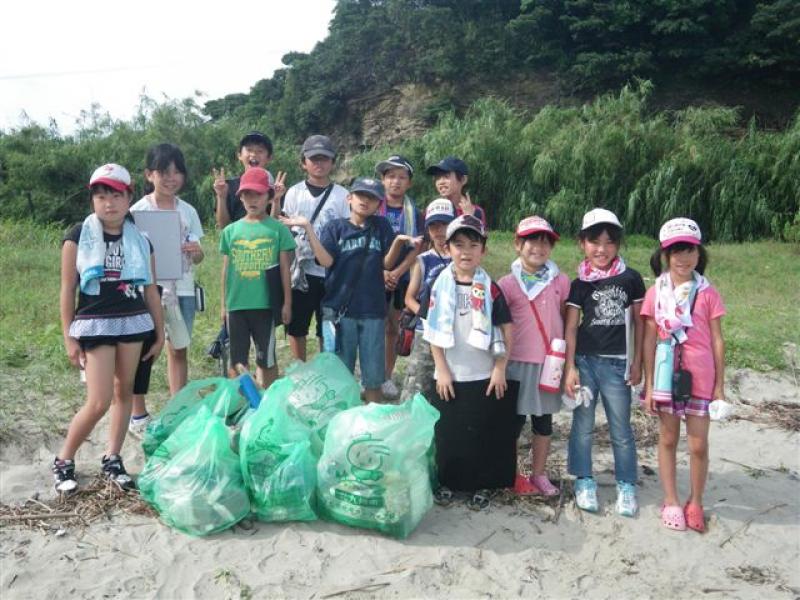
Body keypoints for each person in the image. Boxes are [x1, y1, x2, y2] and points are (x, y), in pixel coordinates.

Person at [54, 164, 163, 492]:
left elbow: (151, 290)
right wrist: (68, 335)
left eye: (116, 195)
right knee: (99, 399)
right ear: (93, 201)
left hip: (132, 322)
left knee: (124, 391)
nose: (109, 203)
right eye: (101, 196)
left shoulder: (142, 241)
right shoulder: (77, 236)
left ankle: (112, 458)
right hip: (94, 324)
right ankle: (64, 460)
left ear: (129, 197)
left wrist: (159, 333)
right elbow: (67, 288)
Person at [280, 178, 416, 404]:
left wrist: (399, 242)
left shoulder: (381, 226)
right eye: (361, 195)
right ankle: (341, 420)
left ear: (378, 203)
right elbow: (325, 261)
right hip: (340, 310)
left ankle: (371, 417)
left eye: (372, 197)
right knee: (341, 374)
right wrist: (308, 229)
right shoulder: (335, 227)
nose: (365, 201)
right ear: (349, 198)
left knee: (373, 377)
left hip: (372, 310)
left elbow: (387, 264)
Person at [423, 215, 517, 511]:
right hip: (451, 372)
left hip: (483, 372)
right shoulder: (439, 285)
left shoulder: (491, 288)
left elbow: (506, 329)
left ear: (483, 251)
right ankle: (449, 482)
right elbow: (433, 331)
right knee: (449, 432)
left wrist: (500, 367)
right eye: (458, 244)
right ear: (448, 248)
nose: (466, 251)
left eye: (473, 245)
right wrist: (442, 369)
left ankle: (481, 484)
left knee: (481, 430)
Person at [641, 218, 725, 533]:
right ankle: (672, 499)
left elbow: (718, 339)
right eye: (675, 250)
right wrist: (649, 385)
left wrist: (720, 385)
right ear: (665, 254)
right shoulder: (655, 293)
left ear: (698, 252)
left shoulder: (708, 292)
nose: (682, 257)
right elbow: (649, 339)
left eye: (688, 249)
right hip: (665, 379)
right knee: (667, 438)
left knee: (699, 445)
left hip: (701, 380)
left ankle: (696, 501)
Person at [564, 208, 645, 517]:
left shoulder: (631, 279)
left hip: (618, 365)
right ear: (582, 243)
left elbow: (640, 324)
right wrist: (570, 366)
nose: (602, 249)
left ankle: (626, 484)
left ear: (618, 245)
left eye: (610, 242)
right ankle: (584, 479)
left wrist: (637, 362)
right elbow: (571, 326)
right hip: (584, 363)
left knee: (621, 428)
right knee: (582, 426)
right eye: (594, 242)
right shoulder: (580, 283)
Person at [128, 143, 204, 436]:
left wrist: (195, 251)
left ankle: (177, 408)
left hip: (183, 289)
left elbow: (199, 255)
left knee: (179, 349)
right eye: (164, 172)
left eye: (177, 172)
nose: (171, 178)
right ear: (150, 175)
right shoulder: (136, 212)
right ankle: (138, 414)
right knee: (143, 351)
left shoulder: (188, 211)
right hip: (148, 291)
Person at [498, 216, 570, 496]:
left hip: (549, 364)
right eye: (531, 241)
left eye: (545, 242)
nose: (538, 248)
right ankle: (512, 474)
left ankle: (539, 474)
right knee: (513, 423)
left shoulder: (560, 281)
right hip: (516, 363)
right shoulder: (506, 284)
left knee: (543, 422)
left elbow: (565, 316)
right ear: (518, 245)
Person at [220, 167, 295, 389]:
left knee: (266, 358)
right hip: (237, 305)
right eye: (247, 194)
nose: (252, 200)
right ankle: (240, 403)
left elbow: (284, 269)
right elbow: (225, 270)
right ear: (240, 197)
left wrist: (287, 303)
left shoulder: (277, 230)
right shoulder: (230, 231)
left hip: (265, 305)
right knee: (236, 361)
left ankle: (268, 402)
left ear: (269, 197)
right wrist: (223, 306)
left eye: (258, 194)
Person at [282, 135, 350, 361]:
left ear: (332, 162)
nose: (319, 164)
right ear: (304, 162)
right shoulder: (294, 193)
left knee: (328, 327)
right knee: (297, 326)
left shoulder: (342, 196)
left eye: (324, 159)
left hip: (331, 273)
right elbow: (285, 229)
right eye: (313, 159)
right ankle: (300, 370)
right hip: (301, 272)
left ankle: (326, 370)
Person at [375, 155, 424, 397]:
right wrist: (382, 271)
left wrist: (396, 272)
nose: (395, 182)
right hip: (373, 276)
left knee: (393, 326)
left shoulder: (413, 211)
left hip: (401, 277)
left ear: (409, 183)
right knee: (373, 324)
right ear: (382, 180)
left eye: (401, 177)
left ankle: (386, 375)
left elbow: (417, 247)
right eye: (390, 176)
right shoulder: (372, 205)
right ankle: (370, 375)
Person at [399, 198, 455, 403]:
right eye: (434, 226)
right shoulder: (423, 260)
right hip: (426, 332)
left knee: (450, 382)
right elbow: (409, 298)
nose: (440, 231)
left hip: (455, 332)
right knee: (418, 382)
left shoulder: (463, 257)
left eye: (445, 225)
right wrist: (428, 315)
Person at [213, 131, 287, 228]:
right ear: (239, 155)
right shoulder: (228, 186)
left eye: (260, 151)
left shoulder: (276, 189)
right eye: (249, 150)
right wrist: (221, 196)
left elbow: (276, 228)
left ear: (269, 158)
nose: (253, 154)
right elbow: (223, 226)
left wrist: (276, 200)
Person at [426, 156, 487, 227]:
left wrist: (470, 218)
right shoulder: (432, 210)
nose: (441, 182)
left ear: (463, 180)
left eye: (446, 176)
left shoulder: (477, 212)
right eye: (437, 178)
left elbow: (479, 237)